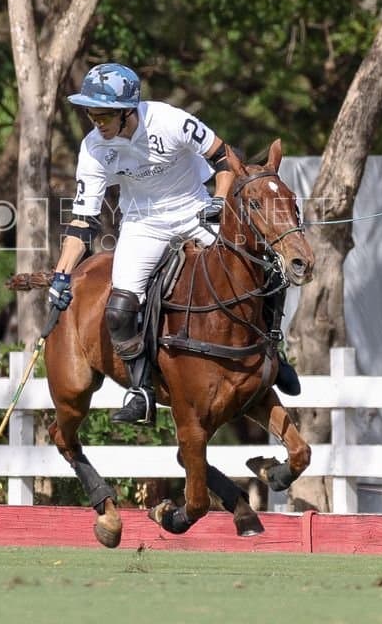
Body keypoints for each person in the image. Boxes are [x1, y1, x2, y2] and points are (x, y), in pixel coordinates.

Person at [47, 62, 298, 425]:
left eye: (103, 114)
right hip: (142, 223)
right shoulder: (94, 150)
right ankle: (140, 389)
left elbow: (224, 157)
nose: (95, 121)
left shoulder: (169, 121)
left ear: (127, 111)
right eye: (91, 113)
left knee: (267, 270)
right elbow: (82, 220)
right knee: (119, 309)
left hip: (194, 209)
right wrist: (60, 276)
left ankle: (275, 355)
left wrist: (219, 201)